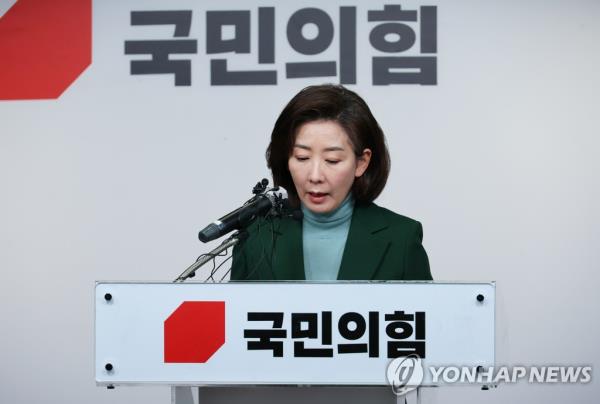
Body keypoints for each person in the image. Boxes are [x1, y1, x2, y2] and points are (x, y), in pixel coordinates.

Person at [230, 84, 432, 281]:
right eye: (302, 157)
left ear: (361, 163)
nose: (315, 175)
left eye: (332, 160)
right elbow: (236, 314)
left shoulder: (401, 238)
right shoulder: (255, 237)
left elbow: (426, 314)